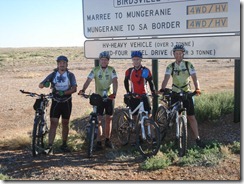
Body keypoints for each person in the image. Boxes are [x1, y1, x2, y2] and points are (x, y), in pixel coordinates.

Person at [159, 44, 205, 148]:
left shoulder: (189, 65)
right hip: (175, 93)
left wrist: (197, 88)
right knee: (175, 115)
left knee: (191, 117)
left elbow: (194, 77)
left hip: (186, 92)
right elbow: (166, 79)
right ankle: (175, 135)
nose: (178, 55)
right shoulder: (170, 66)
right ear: (174, 54)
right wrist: (162, 88)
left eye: (180, 53)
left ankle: (197, 139)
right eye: (176, 53)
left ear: (183, 54)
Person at [78, 51, 118, 150]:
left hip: (109, 97)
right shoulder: (95, 70)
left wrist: (115, 93)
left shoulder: (111, 69)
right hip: (99, 97)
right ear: (99, 60)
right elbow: (88, 80)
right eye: (102, 59)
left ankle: (108, 140)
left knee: (109, 119)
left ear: (108, 61)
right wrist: (83, 90)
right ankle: (99, 142)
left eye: (106, 60)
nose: (104, 61)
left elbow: (115, 81)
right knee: (99, 120)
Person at [39, 55, 77, 154]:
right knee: (53, 123)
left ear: (67, 64)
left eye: (64, 63)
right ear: (57, 64)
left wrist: (64, 93)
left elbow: (74, 88)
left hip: (66, 102)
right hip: (56, 101)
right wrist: (45, 84)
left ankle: (64, 144)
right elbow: (40, 85)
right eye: (60, 63)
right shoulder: (53, 74)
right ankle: (50, 146)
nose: (62, 64)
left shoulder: (70, 75)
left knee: (65, 123)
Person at [124, 50, 156, 120]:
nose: (136, 61)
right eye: (134, 59)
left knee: (148, 115)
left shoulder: (145, 70)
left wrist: (153, 92)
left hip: (144, 95)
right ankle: (135, 129)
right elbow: (125, 81)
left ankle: (148, 129)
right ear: (132, 60)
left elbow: (150, 82)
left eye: (138, 59)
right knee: (134, 116)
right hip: (134, 96)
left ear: (141, 60)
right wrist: (128, 91)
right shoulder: (129, 71)